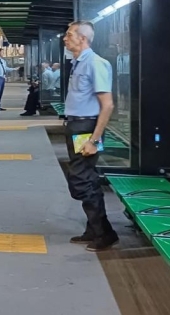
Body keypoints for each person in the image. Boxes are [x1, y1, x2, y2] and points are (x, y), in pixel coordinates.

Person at [63, 21, 118, 252]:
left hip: (86, 128)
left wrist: (94, 140)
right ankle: (93, 229)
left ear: (82, 38)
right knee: (84, 178)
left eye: (69, 35)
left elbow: (107, 105)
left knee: (83, 180)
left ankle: (105, 233)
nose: (65, 38)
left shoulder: (95, 63)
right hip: (76, 126)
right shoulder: (78, 63)